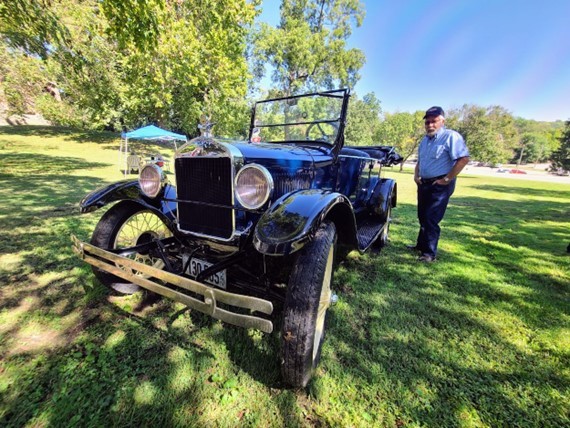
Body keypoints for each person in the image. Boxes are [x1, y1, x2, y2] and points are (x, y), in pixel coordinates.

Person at [408, 106, 470, 262]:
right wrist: (416, 176)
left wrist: (447, 179)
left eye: (433, 121)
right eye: (427, 122)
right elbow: (420, 161)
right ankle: (420, 246)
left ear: (442, 121)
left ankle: (429, 254)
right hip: (424, 183)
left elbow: (463, 159)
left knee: (431, 218)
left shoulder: (451, 137)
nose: (430, 125)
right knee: (422, 216)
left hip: (440, 185)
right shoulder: (425, 140)